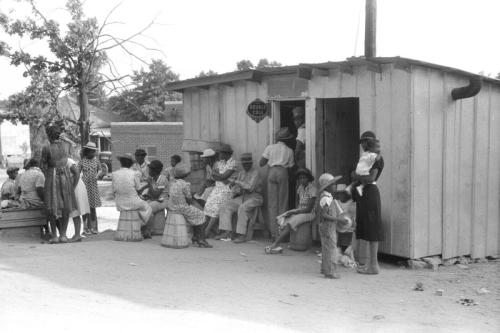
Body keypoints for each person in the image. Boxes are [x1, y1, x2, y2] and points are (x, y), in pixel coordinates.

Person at [351, 131, 384, 275]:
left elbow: (371, 178)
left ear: (369, 142)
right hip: (363, 192)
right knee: (364, 227)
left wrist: (356, 175)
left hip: (370, 193)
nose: (362, 145)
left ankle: (374, 265)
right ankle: (365, 263)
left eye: (364, 142)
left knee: (372, 229)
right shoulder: (366, 158)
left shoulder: (377, 158)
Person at [40, 124, 79, 244]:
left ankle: (54, 236)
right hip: (65, 176)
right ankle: (63, 235)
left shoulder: (47, 148)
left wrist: (49, 172)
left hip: (52, 176)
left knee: (51, 206)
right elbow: (75, 150)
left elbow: (42, 165)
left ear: (49, 135)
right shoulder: (66, 145)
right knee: (66, 205)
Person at [265, 168, 317, 253]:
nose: (302, 180)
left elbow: (309, 209)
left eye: (304, 177)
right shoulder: (300, 188)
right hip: (300, 211)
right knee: (281, 218)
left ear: (309, 178)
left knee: (290, 223)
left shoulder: (312, 189)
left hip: (309, 213)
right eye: (300, 178)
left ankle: (276, 244)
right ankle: (282, 242)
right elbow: (297, 203)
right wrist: (294, 211)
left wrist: (295, 212)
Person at [218, 153, 264, 243]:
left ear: (251, 163)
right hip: (244, 196)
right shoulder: (241, 173)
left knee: (242, 208)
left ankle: (241, 235)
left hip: (255, 197)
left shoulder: (255, 173)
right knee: (225, 205)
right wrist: (233, 187)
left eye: (247, 163)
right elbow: (238, 189)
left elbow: (250, 188)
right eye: (244, 164)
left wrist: (237, 182)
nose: (245, 165)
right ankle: (227, 232)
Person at [260, 127, 295, 238]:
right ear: (287, 139)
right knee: (283, 203)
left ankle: (273, 233)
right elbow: (290, 167)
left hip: (272, 171)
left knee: (272, 204)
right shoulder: (289, 150)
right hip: (283, 172)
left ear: (277, 138)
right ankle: (281, 232)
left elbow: (261, 163)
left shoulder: (270, 147)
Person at [167, 164, 212, 248]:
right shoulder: (185, 184)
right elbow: (189, 200)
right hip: (181, 208)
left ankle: (195, 237)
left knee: (196, 214)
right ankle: (201, 239)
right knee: (201, 214)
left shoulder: (172, 182)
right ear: (186, 175)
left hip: (172, 206)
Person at [317, 173, 349, 279]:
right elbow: (324, 214)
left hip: (326, 226)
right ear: (328, 186)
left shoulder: (327, 196)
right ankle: (331, 272)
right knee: (331, 248)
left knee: (326, 248)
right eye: (333, 184)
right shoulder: (326, 198)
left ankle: (325, 269)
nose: (335, 186)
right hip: (328, 226)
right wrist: (338, 219)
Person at [204, 144, 237, 237]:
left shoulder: (233, 163)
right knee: (208, 205)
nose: (219, 155)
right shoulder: (220, 163)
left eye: (221, 153)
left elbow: (222, 176)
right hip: (218, 187)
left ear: (227, 154)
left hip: (227, 189)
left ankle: (207, 230)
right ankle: (206, 229)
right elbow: (216, 177)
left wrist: (216, 174)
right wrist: (220, 177)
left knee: (216, 207)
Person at [112, 153, 152, 225]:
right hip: (133, 203)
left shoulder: (114, 174)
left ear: (121, 163)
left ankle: (133, 223)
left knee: (139, 203)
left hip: (119, 203)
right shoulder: (135, 174)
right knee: (148, 207)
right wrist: (146, 188)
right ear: (131, 164)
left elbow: (114, 191)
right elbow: (139, 190)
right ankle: (139, 224)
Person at [78, 142, 102, 235]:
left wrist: (98, 175)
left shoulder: (96, 160)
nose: (93, 153)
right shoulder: (82, 161)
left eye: (94, 152)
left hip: (93, 186)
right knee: (84, 207)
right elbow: (77, 171)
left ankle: (94, 227)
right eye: (91, 152)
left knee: (92, 208)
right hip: (84, 186)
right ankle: (85, 228)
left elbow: (100, 169)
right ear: (87, 152)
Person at [141, 160, 169, 239]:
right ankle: (145, 228)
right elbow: (151, 193)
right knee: (141, 205)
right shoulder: (153, 179)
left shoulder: (163, 179)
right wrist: (147, 196)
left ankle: (148, 230)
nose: (149, 171)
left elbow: (156, 194)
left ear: (155, 170)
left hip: (163, 201)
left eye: (150, 170)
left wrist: (150, 183)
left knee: (147, 208)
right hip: (155, 199)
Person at [67, 157, 90, 242]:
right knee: (74, 211)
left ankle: (77, 235)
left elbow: (77, 173)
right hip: (72, 186)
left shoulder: (68, 161)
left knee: (75, 210)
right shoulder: (61, 161)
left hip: (75, 186)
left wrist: (72, 188)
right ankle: (77, 234)